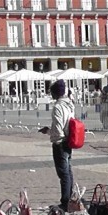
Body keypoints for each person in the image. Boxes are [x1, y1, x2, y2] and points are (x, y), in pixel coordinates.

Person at [39, 80, 75, 208]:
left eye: (52, 92)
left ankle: (65, 202)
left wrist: (48, 131)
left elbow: (58, 130)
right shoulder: (69, 105)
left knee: (63, 174)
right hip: (69, 141)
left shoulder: (58, 107)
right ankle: (70, 199)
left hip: (60, 143)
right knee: (68, 171)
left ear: (55, 93)